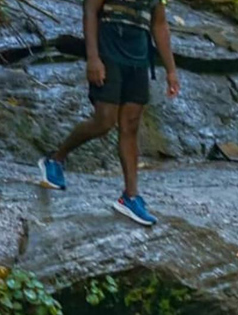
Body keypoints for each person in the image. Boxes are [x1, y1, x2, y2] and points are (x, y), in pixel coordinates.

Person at [37, 0, 180, 226]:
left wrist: (171, 70)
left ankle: (130, 197)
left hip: (138, 58)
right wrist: (93, 58)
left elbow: (159, 25)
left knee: (131, 126)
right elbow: (91, 10)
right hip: (109, 52)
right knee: (104, 121)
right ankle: (55, 159)